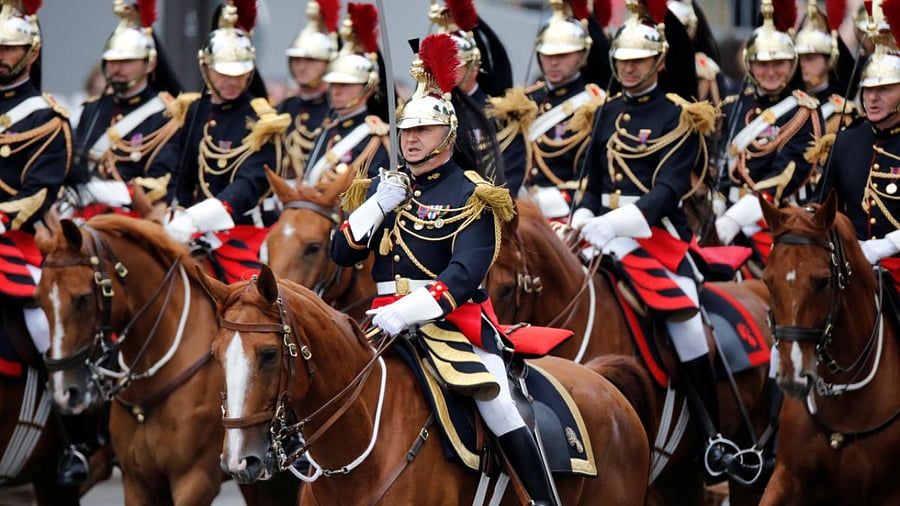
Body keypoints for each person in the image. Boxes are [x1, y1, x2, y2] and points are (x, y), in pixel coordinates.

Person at [330, 33, 555, 505]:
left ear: (447, 135)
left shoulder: (473, 194)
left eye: (423, 132)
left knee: (495, 399)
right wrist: (373, 208)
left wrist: (408, 310)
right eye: (406, 132)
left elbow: (464, 275)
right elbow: (340, 254)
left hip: (450, 323)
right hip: (379, 319)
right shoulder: (385, 185)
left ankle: (540, 498)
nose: (410, 140)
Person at [570, 0, 724, 477]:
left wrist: (616, 223)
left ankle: (712, 434)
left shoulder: (680, 115)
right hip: (599, 231)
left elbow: (668, 191)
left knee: (685, 320)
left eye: (638, 61)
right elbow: (591, 180)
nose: (629, 69)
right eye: (622, 61)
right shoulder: (605, 111)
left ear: (659, 62)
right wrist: (582, 214)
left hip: (655, 235)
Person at [155, 0, 289, 283]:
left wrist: (196, 219)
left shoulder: (264, 119)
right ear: (207, 68)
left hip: (244, 232)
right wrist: (175, 208)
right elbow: (182, 173)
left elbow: (250, 185)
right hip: (196, 231)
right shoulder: (194, 110)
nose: (232, 81)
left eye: (239, 73)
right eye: (224, 73)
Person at [0, 0, 75, 484]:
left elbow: (41, 189)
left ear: (31, 53)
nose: (0, 56)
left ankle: (73, 440)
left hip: (17, 240)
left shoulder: (46, 119)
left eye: (10, 48)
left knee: (50, 330)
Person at [714, 0, 824, 258]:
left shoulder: (803, 111)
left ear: (792, 64)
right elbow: (718, 162)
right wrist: (716, 204)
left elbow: (789, 172)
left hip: (773, 219)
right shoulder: (732, 105)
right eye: (762, 64)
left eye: (779, 64)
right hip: (724, 210)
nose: (770, 72)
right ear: (749, 65)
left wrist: (735, 218)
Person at [64, 0, 187, 220]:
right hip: (84, 211)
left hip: (135, 216)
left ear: (149, 64)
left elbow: (161, 182)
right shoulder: (93, 108)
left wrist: (109, 191)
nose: (117, 69)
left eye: (127, 61)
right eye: (112, 61)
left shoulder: (167, 113)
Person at [487, 0, 604, 211]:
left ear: (582, 54)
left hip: (563, 210)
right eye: (547, 55)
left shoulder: (593, 105)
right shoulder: (522, 100)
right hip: (515, 204)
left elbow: (590, 176)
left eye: (562, 56)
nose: (553, 63)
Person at [816, 5, 900, 287]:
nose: (872, 99)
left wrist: (886, 245)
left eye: (884, 89)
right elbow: (821, 206)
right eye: (868, 90)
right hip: (851, 269)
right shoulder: (847, 140)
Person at [302, 2, 390, 188]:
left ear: (368, 87)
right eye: (333, 84)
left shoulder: (375, 134)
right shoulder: (329, 125)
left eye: (345, 85)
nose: (336, 91)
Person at [428, 0, 510, 185]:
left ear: (474, 67)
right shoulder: (427, 108)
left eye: (453, 65)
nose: (444, 71)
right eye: (439, 65)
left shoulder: (499, 113)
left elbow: (508, 174)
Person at [277, 0, 339, 184]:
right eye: (297, 60)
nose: (302, 67)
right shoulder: (283, 108)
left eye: (310, 61)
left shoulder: (336, 109)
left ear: (328, 64)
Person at [794, 0, 858, 134]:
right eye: (800, 58)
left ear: (829, 60)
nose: (802, 65)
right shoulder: (790, 102)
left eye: (810, 58)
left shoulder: (841, 111)